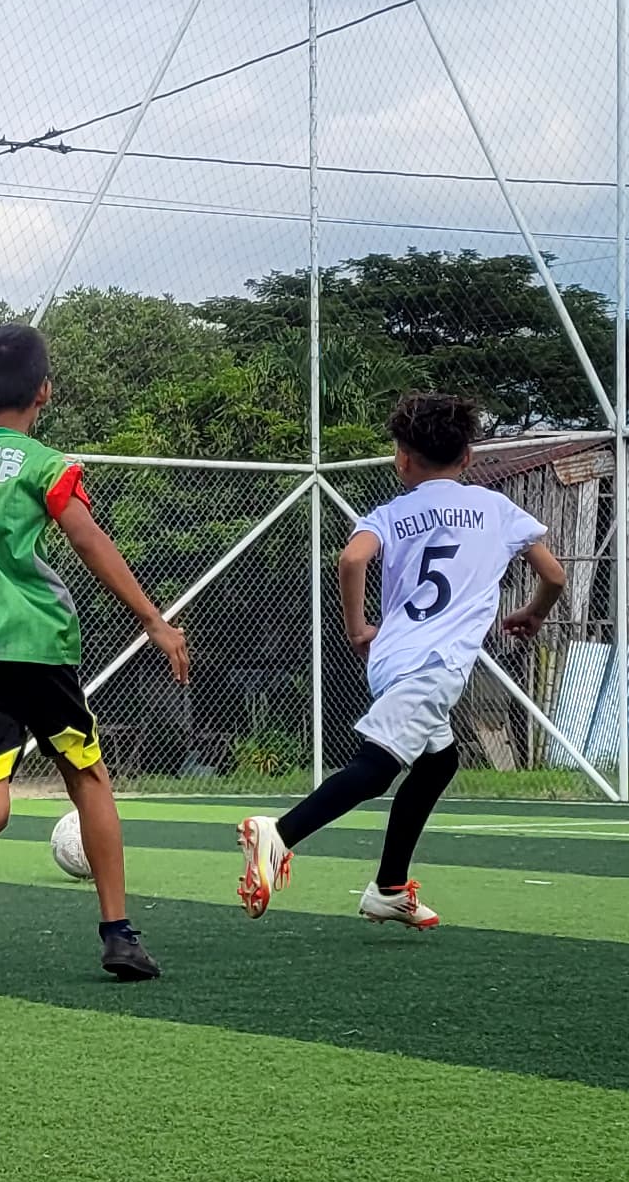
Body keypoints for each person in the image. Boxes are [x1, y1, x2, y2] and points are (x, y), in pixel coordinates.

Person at [0, 321, 189, 981]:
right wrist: (153, 620)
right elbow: (87, 539)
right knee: (86, 776)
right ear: (44, 392)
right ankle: (119, 934)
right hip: (35, 645)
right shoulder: (47, 466)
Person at [232, 393, 566, 927]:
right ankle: (279, 834)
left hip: (392, 657)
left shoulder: (388, 514)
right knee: (376, 769)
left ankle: (389, 888)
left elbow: (352, 558)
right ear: (468, 457)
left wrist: (357, 628)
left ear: (403, 460)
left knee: (438, 763)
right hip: (435, 666)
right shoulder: (497, 509)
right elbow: (554, 575)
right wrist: (533, 612)